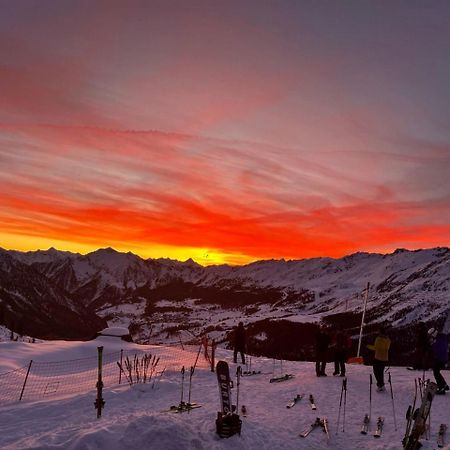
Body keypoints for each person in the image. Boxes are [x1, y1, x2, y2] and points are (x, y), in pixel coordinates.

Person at [429, 327, 449, 395]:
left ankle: (441, 388)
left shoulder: (439, 339)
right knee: (437, 372)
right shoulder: (442, 337)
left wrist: (432, 346)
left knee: (436, 372)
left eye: (431, 335)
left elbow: (438, 349)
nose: (431, 336)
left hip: (441, 358)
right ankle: (444, 385)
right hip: (444, 358)